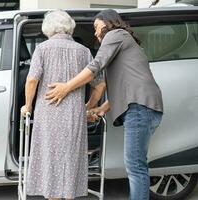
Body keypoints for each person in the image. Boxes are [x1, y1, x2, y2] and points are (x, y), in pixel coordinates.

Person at [45, 9, 163, 200]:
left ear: (108, 22)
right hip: (144, 107)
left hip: (140, 107)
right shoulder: (125, 41)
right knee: (137, 164)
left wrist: (66, 87)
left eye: (96, 26)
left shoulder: (115, 34)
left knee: (135, 166)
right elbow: (124, 85)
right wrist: (101, 108)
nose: (95, 32)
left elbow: (95, 67)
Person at [20, 10, 95, 200]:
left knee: (50, 158)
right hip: (74, 116)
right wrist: (88, 107)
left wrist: (27, 105)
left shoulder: (43, 49)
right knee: (71, 158)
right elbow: (100, 84)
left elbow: (31, 80)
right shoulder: (84, 51)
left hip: (48, 113)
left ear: (48, 28)